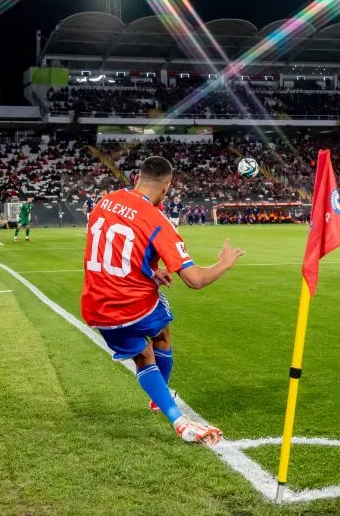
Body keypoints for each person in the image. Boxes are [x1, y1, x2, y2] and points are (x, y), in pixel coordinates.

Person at [81, 156, 244, 445]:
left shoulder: (104, 201)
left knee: (149, 346)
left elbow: (113, 249)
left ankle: (161, 400)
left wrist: (151, 271)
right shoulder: (158, 221)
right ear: (167, 187)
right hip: (133, 305)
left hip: (95, 305)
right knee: (156, 341)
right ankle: (178, 420)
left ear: (136, 178)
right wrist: (224, 263)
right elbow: (195, 280)